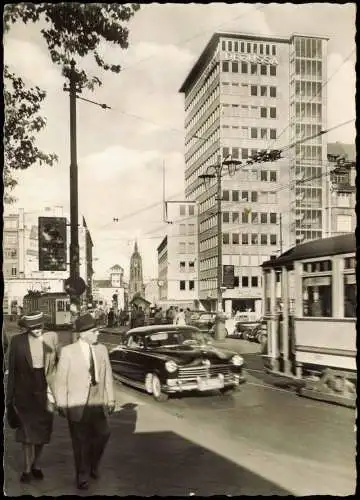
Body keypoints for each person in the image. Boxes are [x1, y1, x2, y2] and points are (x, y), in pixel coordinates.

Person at [54, 313, 115, 490]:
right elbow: (61, 381)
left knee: (104, 433)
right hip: (77, 403)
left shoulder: (102, 349)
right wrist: (62, 404)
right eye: (95, 331)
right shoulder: (68, 352)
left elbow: (108, 376)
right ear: (84, 333)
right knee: (80, 442)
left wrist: (110, 398)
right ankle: (82, 476)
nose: (98, 334)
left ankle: (93, 464)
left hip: (98, 401)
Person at [6, 311, 59, 483]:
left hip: (44, 391)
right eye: (33, 327)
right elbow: (12, 372)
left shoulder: (51, 339)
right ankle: (28, 469)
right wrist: (9, 398)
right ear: (27, 328)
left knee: (42, 433)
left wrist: (58, 393)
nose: (37, 330)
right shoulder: (17, 342)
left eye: (40, 326)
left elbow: (57, 367)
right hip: (24, 393)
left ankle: (36, 464)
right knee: (27, 434)